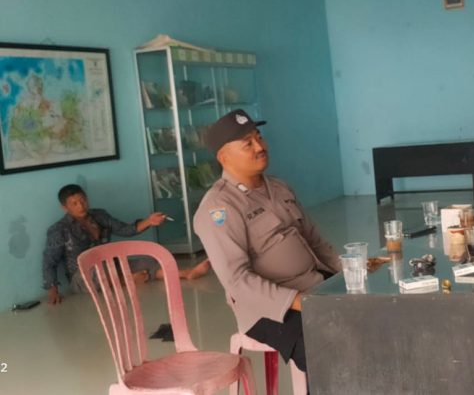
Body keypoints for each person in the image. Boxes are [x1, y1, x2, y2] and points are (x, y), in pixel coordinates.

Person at [193, 109, 342, 374]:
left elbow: (315, 241)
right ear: (224, 157)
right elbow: (238, 281)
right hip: (268, 309)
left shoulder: (279, 188)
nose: (260, 147)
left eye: (259, 137)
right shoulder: (219, 207)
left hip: (314, 285)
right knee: (328, 350)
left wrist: (352, 271)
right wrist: (298, 300)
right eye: (247, 143)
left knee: (375, 318)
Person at [43, 184, 211, 305]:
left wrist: (149, 221)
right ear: (64, 207)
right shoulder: (58, 230)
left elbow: (124, 230)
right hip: (83, 277)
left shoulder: (99, 215)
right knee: (96, 272)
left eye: (83, 200)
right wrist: (53, 291)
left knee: (148, 261)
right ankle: (128, 280)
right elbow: (49, 262)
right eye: (74, 203)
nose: (81, 206)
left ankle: (187, 273)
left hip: (110, 265)